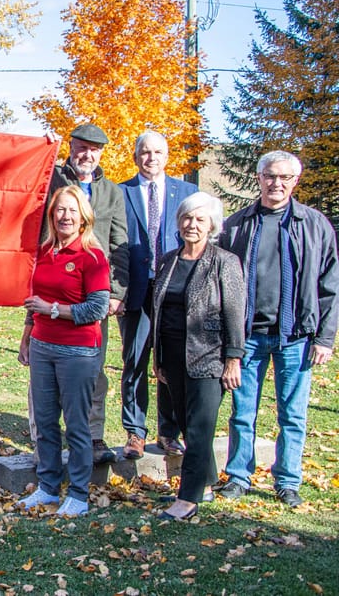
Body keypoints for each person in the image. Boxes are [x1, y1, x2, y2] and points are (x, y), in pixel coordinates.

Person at [217, 150, 338, 508]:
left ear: (295, 182)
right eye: (271, 176)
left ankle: (287, 480)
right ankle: (239, 476)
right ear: (259, 178)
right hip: (248, 337)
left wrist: (326, 337)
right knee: (241, 412)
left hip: (296, 336)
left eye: (285, 178)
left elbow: (330, 286)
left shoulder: (314, 225)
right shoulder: (238, 225)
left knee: (294, 415)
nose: (277, 184)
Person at [30, 123, 128, 465]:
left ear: (101, 153)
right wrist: (41, 151)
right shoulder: (54, 179)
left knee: (93, 371)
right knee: (41, 362)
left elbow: (119, 245)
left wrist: (116, 292)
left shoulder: (112, 193)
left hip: (95, 294)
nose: (87, 154)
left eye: (94, 149)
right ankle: (42, 438)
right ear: (71, 148)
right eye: (81, 147)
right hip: (51, 284)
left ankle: (93, 435)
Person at [17, 186, 111, 517]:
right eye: (60, 210)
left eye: (72, 210)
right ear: (52, 215)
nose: (65, 216)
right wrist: (28, 333)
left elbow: (97, 309)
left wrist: (53, 309)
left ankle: (80, 494)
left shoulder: (93, 257)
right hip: (42, 346)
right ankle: (47, 488)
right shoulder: (43, 252)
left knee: (76, 425)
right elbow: (33, 299)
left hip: (78, 352)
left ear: (83, 217)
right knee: (44, 421)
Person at [151, 192, 244, 520]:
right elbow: (158, 309)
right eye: (187, 218)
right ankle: (204, 484)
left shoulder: (225, 262)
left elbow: (235, 312)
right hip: (172, 355)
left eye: (200, 219)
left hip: (210, 356)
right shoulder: (168, 260)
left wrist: (234, 358)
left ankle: (187, 500)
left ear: (212, 225)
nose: (192, 224)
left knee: (201, 426)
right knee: (188, 424)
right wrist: (157, 358)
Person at [118, 131, 197, 459]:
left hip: (174, 289)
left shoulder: (187, 193)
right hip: (136, 290)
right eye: (145, 153)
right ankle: (135, 432)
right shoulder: (121, 193)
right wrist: (117, 290)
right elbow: (114, 245)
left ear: (167, 156)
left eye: (158, 152)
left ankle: (169, 431)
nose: (151, 158)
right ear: (136, 157)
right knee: (135, 360)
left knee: (170, 362)